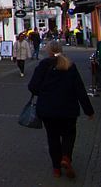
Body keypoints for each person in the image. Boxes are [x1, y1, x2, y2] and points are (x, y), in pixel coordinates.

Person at [27, 40, 94, 179]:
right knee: (69, 134)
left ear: (48, 51)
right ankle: (66, 157)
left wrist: (44, 93)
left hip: (47, 109)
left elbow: (32, 86)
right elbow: (80, 90)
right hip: (68, 109)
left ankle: (56, 168)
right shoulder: (70, 65)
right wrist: (89, 111)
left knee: (53, 138)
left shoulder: (43, 65)